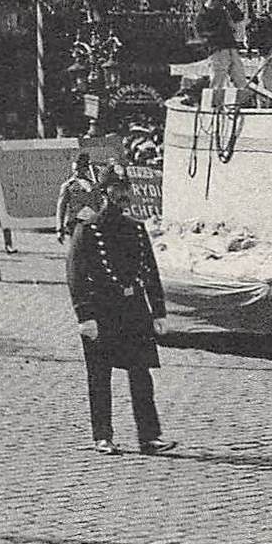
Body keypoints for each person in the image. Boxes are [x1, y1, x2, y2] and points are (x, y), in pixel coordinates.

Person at [66, 167, 176, 456]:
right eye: (115, 191)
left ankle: (149, 436)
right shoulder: (87, 230)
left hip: (134, 309)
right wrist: (84, 316)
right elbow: (76, 276)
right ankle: (102, 435)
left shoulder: (136, 229)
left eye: (125, 190)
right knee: (100, 376)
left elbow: (150, 272)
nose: (122, 196)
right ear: (103, 194)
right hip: (103, 310)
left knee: (141, 375)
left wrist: (158, 311)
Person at [195, 0, 247, 93]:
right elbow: (204, 32)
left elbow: (238, 17)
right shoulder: (203, 16)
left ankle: (241, 100)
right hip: (217, 50)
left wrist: (229, 3)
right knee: (217, 81)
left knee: (240, 79)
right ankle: (214, 104)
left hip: (230, 48)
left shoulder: (223, 12)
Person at [55, 152, 99, 244]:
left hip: (92, 222)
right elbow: (61, 208)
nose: (77, 172)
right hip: (75, 222)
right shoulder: (67, 186)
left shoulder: (93, 184)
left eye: (80, 169)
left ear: (85, 169)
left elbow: (99, 204)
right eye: (75, 169)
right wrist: (60, 229)